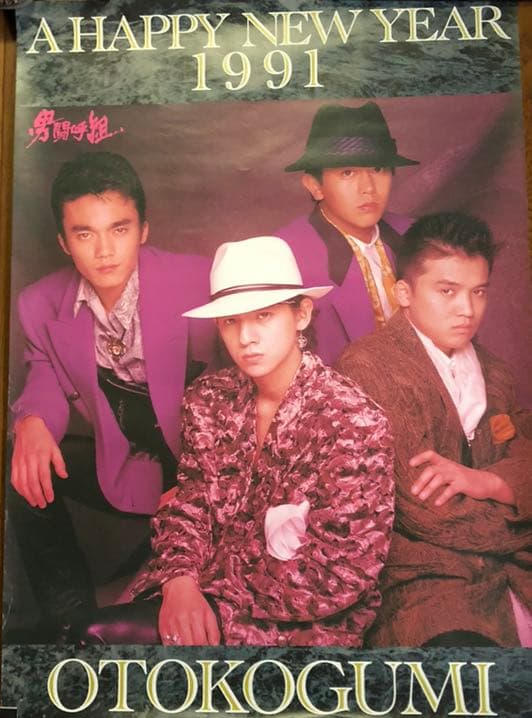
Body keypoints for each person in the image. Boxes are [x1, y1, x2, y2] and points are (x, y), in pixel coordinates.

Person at [76, 235, 394, 646]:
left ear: (301, 314)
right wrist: (178, 582)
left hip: (300, 618)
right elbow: (190, 506)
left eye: (263, 316)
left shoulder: (354, 420)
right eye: (231, 321)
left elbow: (340, 572)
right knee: (89, 642)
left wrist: (208, 596)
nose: (246, 337)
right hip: (196, 590)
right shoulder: (207, 400)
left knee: (106, 642)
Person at [7, 151, 217, 641]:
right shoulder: (39, 303)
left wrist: (201, 482)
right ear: (63, 242)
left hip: (208, 469)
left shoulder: (198, 280)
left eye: (119, 229)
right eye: (85, 234)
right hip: (128, 464)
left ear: (143, 230)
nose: (104, 250)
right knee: (17, 465)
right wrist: (31, 421)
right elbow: (43, 375)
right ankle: (71, 626)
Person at [336, 211, 532, 647]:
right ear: (404, 292)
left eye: (478, 292)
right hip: (425, 583)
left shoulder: (496, 371)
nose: (467, 310)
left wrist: (488, 482)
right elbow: (423, 511)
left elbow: (526, 454)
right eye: (447, 291)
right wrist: (523, 518)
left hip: (513, 573)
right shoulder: (368, 366)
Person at [275, 101, 418, 365]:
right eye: (348, 172)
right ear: (315, 186)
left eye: (378, 169)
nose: (368, 188)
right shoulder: (282, 256)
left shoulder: (419, 236)